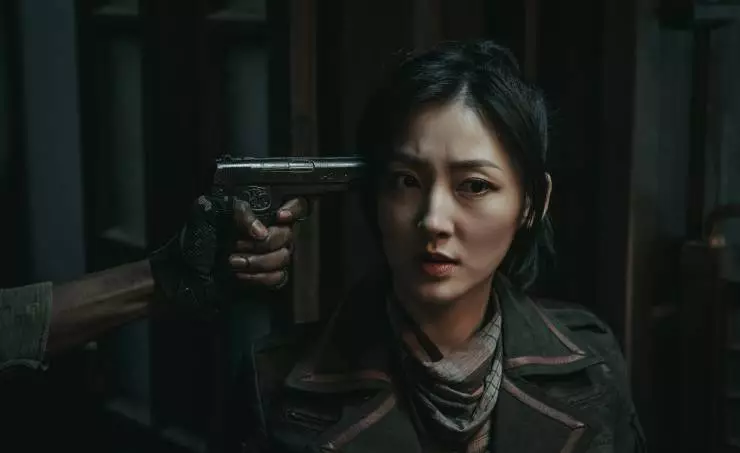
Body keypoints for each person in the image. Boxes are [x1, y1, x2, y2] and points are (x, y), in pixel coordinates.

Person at [211, 40, 647, 453]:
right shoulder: (273, 381)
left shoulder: (592, 361)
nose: (433, 220)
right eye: (407, 181)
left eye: (474, 186)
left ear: (532, 204)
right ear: (376, 195)